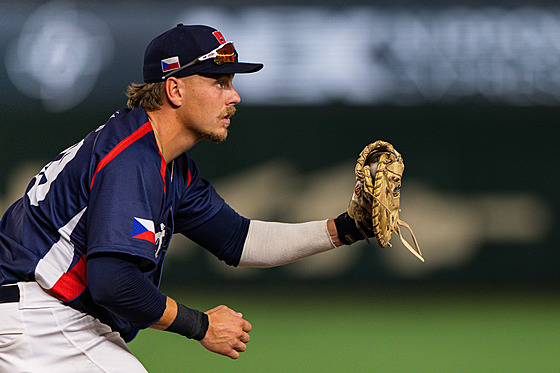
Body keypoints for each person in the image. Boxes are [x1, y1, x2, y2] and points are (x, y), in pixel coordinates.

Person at [0, 24, 370, 372]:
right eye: (219, 82)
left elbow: (240, 240)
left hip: (44, 316)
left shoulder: (167, 164)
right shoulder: (133, 160)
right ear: (174, 90)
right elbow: (113, 282)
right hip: (37, 317)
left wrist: (347, 228)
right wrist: (202, 325)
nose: (234, 96)